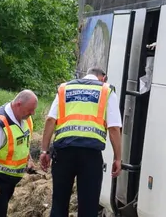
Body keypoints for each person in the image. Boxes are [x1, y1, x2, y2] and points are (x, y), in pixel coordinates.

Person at [39, 68, 123, 217]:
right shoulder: (106, 91)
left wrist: (44, 151)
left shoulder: (65, 88)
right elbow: (114, 128)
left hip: (63, 152)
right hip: (91, 155)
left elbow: (51, 120)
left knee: (59, 203)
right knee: (88, 207)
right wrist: (117, 158)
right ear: (103, 78)